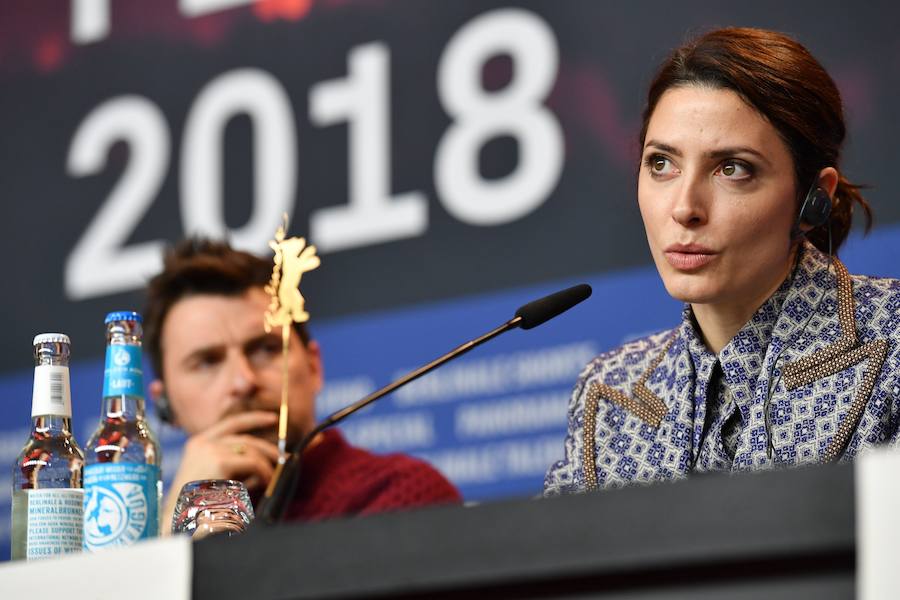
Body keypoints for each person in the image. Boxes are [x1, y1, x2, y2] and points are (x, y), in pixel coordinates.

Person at [545, 27, 899, 495]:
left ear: (814, 198)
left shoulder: (892, 343)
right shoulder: (607, 393)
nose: (684, 207)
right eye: (661, 164)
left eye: (732, 168)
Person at [143, 238, 461, 525]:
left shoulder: (400, 493)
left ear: (313, 366)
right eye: (207, 362)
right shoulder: (142, 536)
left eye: (266, 349)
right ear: (165, 404)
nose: (243, 381)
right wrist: (177, 529)